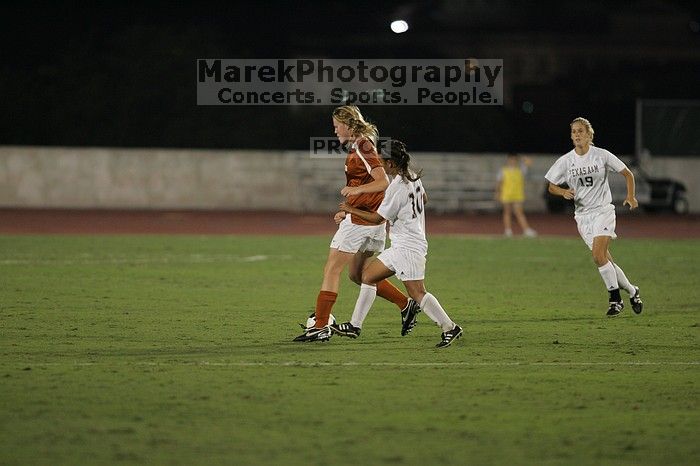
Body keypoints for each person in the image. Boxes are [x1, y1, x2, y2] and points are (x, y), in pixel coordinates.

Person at [294, 106, 420, 342]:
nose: (334, 130)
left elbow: (381, 180)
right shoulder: (362, 144)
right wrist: (349, 206)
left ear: (349, 125)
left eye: (336, 125)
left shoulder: (362, 145)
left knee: (332, 269)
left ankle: (320, 326)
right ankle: (406, 304)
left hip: (363, 220)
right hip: (371, 221)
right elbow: (366, 182)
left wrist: (356, 193)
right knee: (358, 274)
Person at [332, 140, 463, 348]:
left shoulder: (396, 187)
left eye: (383, 162)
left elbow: (376, 219)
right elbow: (425, 199)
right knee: (368, 276)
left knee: (418, 293)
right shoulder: (413, 177)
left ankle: (450, 327)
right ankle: (355, 325)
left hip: (409, 247)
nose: (381, 165)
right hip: (404, 243)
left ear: (391, 163)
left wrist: (349, 209)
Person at [545, 117, 643, 317]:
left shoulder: (601, 155)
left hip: (603, 211)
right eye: (574, 132)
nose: (577, 135)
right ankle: (633, 291)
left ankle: (615, 300)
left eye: (581, 131)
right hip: (583, 216)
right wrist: (562, 192)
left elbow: (628, 174)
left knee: (598, 256)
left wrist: (631, 196)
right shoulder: (566, 161)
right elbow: (551, 186)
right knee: (606, 260)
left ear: (589, 135)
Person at [495, 153, 537, 237]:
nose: (512, 161)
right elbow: (499, 183)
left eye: (514, 160)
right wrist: (497, 193)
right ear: (508, 161)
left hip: (517, 194)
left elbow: (529, 163)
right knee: (507, 213)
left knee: (519, 213)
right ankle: (508, 231)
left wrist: (525, 158)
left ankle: (526, 230)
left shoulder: (520, 170)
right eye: (511, 160)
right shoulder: (503, 170)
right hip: (506, 194)